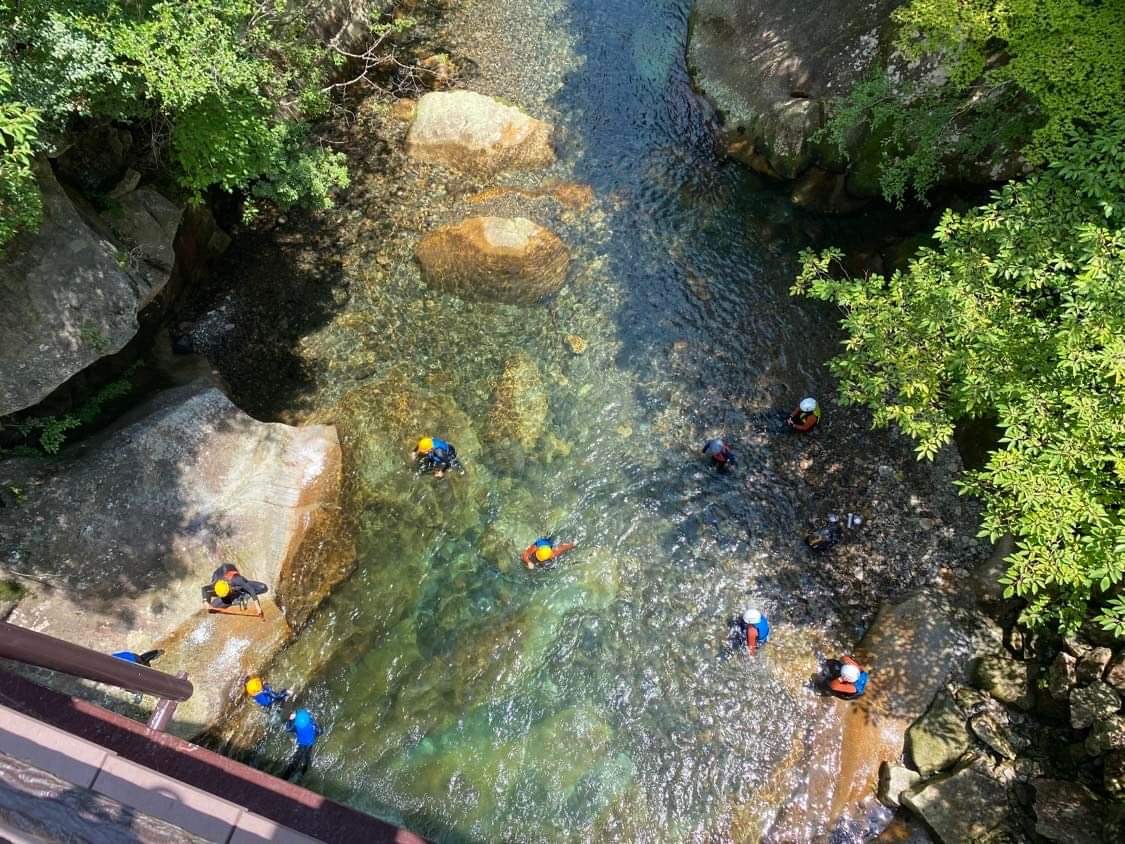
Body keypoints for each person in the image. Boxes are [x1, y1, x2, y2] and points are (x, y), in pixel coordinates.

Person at [201, 562, 267, 612]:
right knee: (211, 610)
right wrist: (206, 602)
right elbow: (204, 589)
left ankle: (240, 595)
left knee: (263, 587)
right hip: (219, 575)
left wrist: (258, 608)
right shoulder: (216, 585)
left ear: (229, 587)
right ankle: (231, 600)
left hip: (230, 571)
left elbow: (250, 590)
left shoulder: (236, 579)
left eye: (228, 594)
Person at [283, 708, 320, 780]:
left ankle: (285, 777)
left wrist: (290, 719)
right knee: (307, 758)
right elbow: (320, 731)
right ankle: (303, 771)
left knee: (296, 760)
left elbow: (288, 729)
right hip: (310, 743)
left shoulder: (295, 727)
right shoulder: (312, 723)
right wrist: (316, 729)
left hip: (302, 744)